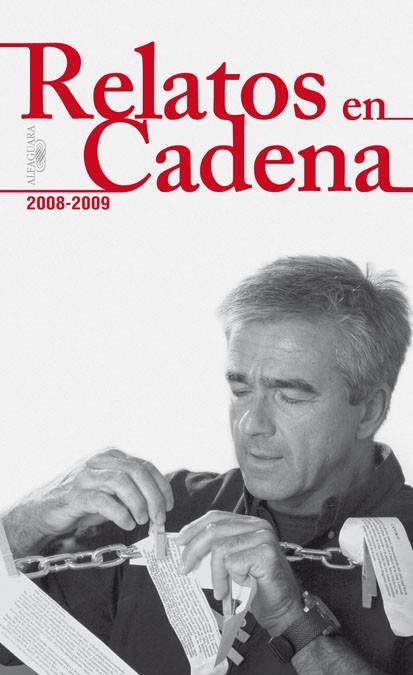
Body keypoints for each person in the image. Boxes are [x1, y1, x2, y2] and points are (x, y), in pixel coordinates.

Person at [1, 255, 413, 674]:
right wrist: (27, 522)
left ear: (369, 411)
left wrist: (294, 620)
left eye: (290, 397)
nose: (251, 424)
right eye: (241, 390)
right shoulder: (161, 512)